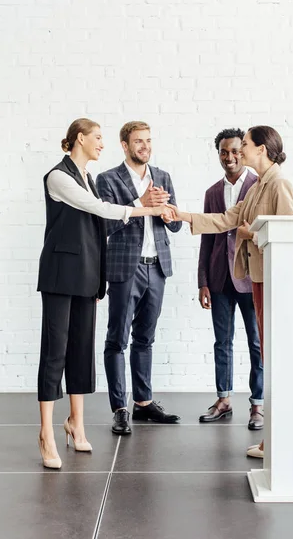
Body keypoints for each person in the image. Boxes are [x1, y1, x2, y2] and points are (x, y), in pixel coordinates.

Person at [37, 118, 168, 469]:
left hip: (86, 276)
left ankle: (76, 425)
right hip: (59, 274)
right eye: (97, 138)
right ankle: (46, 434)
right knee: (55, 353)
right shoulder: (59, 177)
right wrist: (145, 207)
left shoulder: (89, 179)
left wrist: (98, 281)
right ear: (79, 138)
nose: (101, 144)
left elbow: (96, 233)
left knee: (81, 351)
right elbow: (101, 211)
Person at [165, 126, 293, 458]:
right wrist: (180, 214)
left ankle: (278, 438)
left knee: (269, 354)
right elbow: (225, 219)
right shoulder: (258, 188)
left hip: (272, 279)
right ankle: (272, 440)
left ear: (262, 150)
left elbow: (289, 235)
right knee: (265, 352)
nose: (241, 151)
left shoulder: (278, 184)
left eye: (248, 145)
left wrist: (249, 234)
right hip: (257, 278)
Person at [96, 121, 182, 436]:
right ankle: (120, 408)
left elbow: (174, 226)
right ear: (124, 144)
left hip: (156, 266)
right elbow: (103, 226)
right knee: (117, 340)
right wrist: (139, 205)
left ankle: (143, 403)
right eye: (138, 141)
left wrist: (169, 215)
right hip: (125, 269)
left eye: (148, 140)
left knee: (145, 339)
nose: (145, 146)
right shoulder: (108, 180)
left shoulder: (162, 177)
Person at [197, 128, 264, 429]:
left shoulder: (258, 186)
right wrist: (203, 281)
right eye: (224, 152)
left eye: (235, 150)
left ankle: (258, 405)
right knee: (222, 341)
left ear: (244, 151)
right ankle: (223, 399)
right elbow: (207, 240)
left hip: (250, 278)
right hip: (220, 278)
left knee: (257, 342)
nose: (230, 157)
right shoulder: (212, 192)